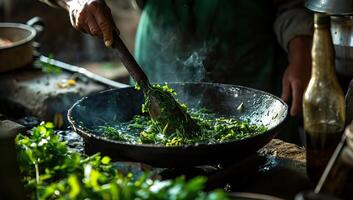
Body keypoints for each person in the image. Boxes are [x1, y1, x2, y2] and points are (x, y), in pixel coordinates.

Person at [40, 0, 312, 119]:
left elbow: (291, 5)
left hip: (249, 71)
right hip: (158, 57)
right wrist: (76, 1)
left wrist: (301, 57)